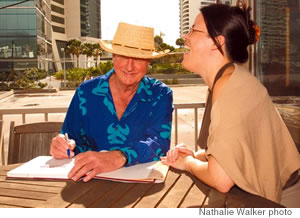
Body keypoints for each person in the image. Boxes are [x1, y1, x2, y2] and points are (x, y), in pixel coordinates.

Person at [161, 3, 300, 206]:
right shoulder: (225, 80)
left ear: (216, 42)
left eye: (192, 30)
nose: (186, 37)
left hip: (281, 201)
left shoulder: (230, 87)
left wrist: (187, 163)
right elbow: (232, 153)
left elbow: (222, 179)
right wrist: (197, 155)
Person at [50, 22, 173, 182]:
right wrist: (62, 145)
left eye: (138, 59)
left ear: (148, 61)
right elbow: (71, 138)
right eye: (123, 56)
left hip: (140, 188)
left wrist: (120, 157)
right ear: (113, 56)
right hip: (87, 185)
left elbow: (159, 144)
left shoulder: (161, 94)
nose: (130, 67)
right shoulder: (85, 92)